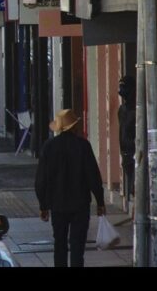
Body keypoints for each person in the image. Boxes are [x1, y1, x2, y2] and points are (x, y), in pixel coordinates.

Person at [34, 109, 105, 268]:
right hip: (80, 204)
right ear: (74, 127)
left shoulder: (48, 146)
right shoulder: (83, 146)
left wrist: (43, 205)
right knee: (77, 245)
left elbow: (41, 180)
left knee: (59, 243)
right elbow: (93, 175)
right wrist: (100, 201)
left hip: (57, 205)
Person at [117, 76, 136, 199]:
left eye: (123, 87)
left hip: (134, 152)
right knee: (131, 183)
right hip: (126, 152)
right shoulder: (122, 109)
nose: (120, 90)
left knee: (135, 187)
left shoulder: (136, 109)